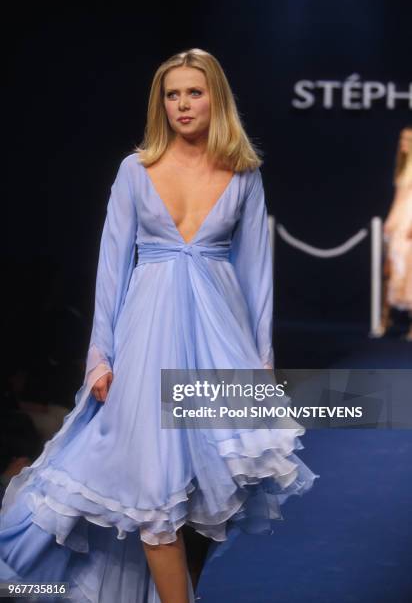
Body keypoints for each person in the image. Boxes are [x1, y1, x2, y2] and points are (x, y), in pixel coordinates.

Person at [0, 48, 319, 603]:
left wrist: (260, 368)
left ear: (214, 97)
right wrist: (100, 355)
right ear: (161, 103)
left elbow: (256, 278)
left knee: (214, 492)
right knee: (154, 497)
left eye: (193, 92)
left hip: (219, 344)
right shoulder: (136, 169)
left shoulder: (243, 173)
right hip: (147, 339)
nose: (182, 104)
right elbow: (112, 263)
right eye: (172, 95)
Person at [382, 126, 412, 339]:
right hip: (399, 222)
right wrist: (390, 222)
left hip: (409, 222)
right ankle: (384, 320)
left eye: (408, 139)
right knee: (392, 268)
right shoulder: (403, 166)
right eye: (402, 138)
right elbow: (398, 198)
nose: (403, 142)